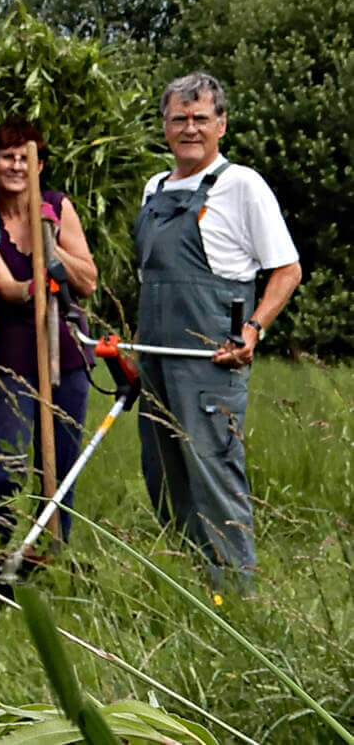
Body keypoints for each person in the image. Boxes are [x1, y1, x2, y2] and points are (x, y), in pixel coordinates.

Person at [136, 71, 300, 586]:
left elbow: (287, 270)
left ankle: (235, 593)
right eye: (179, 118)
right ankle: (193, 586)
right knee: (164, 475)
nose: (190, 129)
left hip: (211, 361)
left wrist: (252, 329)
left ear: (221, 124)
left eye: (200, 118)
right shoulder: (154, 188)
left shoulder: (241, 184)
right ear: (164, 127)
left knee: (213, 475)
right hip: (155, 357)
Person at [0, 120, 99, 544]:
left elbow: (87, 281)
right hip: (9, 358)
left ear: (39, 165)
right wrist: (41, 282)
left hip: (65, 354)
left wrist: (50, 240)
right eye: (6, 157)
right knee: (5, 466)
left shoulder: (57, 206)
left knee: (62, 467)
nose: (15, 166)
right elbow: (9, 287)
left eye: (23, 158)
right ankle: (0, 554)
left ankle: (55, 551)